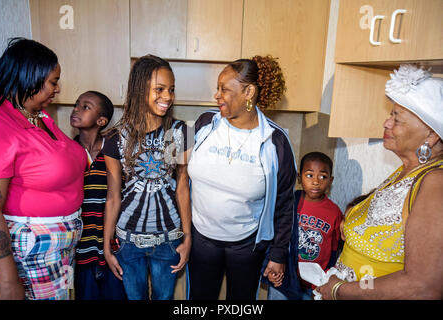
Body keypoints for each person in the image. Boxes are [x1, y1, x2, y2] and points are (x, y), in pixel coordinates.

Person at [316, 64, 443, 300]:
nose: (387, 123)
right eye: (390, 115)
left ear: (431, 135)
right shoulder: (408, 170)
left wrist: (339, 290)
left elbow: (423, 286)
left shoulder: (437, 183)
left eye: (397, 119)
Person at [187, 55, 297, 300]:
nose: (217, 95)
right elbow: (178, 170)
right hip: (201, 240)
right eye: (218, 88)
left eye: (224, 89)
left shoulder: (275, 142)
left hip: (247, 246)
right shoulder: (205, 123)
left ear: (249, 92)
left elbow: (284, 204)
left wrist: (278, 254)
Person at [0, 38, 86, 300]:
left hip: (64, 247)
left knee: (66, 296)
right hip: (35, 250)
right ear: (28, 76)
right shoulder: (0, 124)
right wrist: (9, 281)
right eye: (53, 82)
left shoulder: (39, 115)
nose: (57, 89)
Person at [102, 55, 191, 300]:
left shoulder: (179, 131)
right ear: (140, 89)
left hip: (169, 240)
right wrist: (106, 245)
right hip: (127, 243)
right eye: (159, 89)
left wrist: (188, 237)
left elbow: (183, 186)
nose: (168, 97)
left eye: (171, 90)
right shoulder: (115, 137)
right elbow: (113, 196)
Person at [70, 91, 127, 300]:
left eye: (85, 107)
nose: (76, 109)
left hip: (112, 247)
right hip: (81, 249)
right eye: (76, 104)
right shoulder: (68, 151)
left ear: (101, 120)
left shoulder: (114, 152)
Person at [267, 152, 342, 300]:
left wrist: (326, 281)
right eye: (309, 175)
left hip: (314, 284)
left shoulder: (334, 212)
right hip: (284, 279)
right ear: (299, 177)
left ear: (331, 180)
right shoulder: (289, 203)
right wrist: (272, 269)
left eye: (323, 176)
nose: (316, 182)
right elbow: (274, 238)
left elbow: (334, 251)